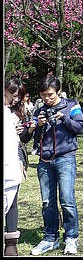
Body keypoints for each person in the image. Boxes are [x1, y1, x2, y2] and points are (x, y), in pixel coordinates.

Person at [29, 75, 83, 255]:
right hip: (44, 160)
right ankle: (49, 237)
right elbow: (35, 139)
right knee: (47, 202)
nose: (47, 98)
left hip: (66, 158)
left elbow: (81, 127)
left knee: (67, 200)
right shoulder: (40, 111)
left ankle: (71, 237)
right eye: (43, 95)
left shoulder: (72, 105)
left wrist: (64, 119)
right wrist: (38, 125)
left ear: (58, 91)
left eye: (50, 95)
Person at [4, 79, 26, 256]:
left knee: (12, 201)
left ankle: (11, 243)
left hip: (12, 160)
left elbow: (24, 138)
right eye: (12, 95)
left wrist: (23, 129)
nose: (14, 99)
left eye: (18, 97)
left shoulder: (17, 112)